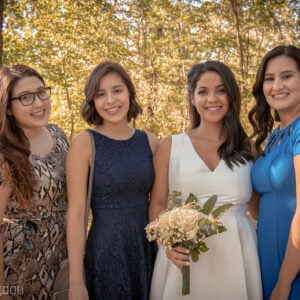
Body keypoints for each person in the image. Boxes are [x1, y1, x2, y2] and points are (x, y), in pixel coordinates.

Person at [149, 61, 262, 300]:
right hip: (184, 258)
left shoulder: (248, 148)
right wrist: (167, 243)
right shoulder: (170, 146)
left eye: (221, 90)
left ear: (231, 96)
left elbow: (259, 211)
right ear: (192, 97)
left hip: (238, 255)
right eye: (203, 91)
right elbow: (157, 203)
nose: (213, 99)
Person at [67, 61, 159, 300]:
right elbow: (76, 214)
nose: (110, 100)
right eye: (100, 94)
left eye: (117, 90)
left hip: (148, 248)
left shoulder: (150, 141)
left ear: (129, 92)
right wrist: (76, 282)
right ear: (92, 101)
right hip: (106, 251)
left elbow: (160, 202)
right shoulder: (84, 143)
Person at [0, 65, 69, 299]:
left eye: (42, 92)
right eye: (25, 98)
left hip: (59, 259)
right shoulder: (4, 152)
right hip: (18, 267)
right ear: (8, 108)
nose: (39, 103)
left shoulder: (59, 135)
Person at [249, 45, 300, 300]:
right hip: (267, 256)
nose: (277, 85)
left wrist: (284, 283)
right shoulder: (274, 137)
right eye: (269, 79)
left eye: (287, 76)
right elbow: (260, 204)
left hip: (292, 268)